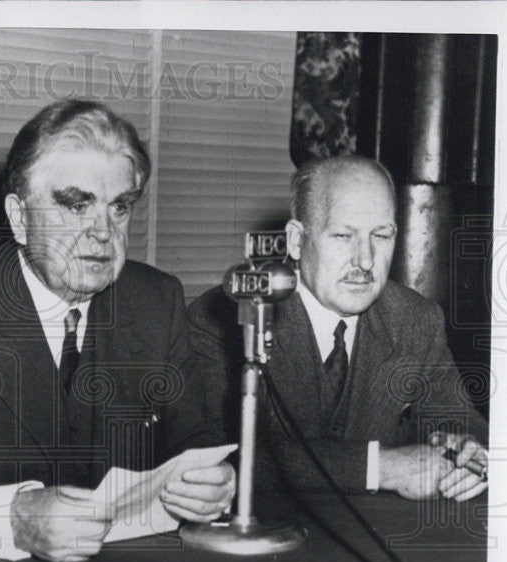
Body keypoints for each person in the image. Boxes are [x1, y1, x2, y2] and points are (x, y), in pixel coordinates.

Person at [0, 99, 235, 562]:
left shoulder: (154, 300)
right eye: (76, 205)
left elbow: (194, 441)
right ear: (19, 218)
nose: (103, 232)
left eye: (119, 207)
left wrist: (211, 481)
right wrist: (13, 518)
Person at [186, 155, 488, 501]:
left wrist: (472, 453)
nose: (366, 260)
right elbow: (226, 453)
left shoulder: (415, 320)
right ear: (297, 241)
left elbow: (466, 427)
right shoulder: (225, 317)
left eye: (382, 235)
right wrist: (379, 468)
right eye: (344, 235)